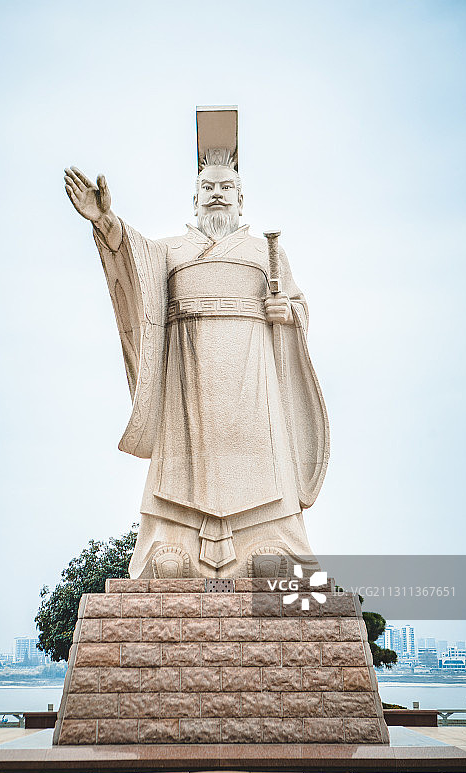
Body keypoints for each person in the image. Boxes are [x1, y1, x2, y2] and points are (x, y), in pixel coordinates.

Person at [64, 150, 329, 578]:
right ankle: (168, 545)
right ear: (194, 201)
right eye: (208, 188)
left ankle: (272, 542)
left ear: (241, 200)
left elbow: (297, 304)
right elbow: (134, 262)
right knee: (180, 464)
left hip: (251, 375)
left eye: (227, 188)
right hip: (188, 375)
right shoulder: (171, 250)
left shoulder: (265, 252)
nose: (217, 195)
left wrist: (287, 312)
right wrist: (105, 221)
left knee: (264, 460)